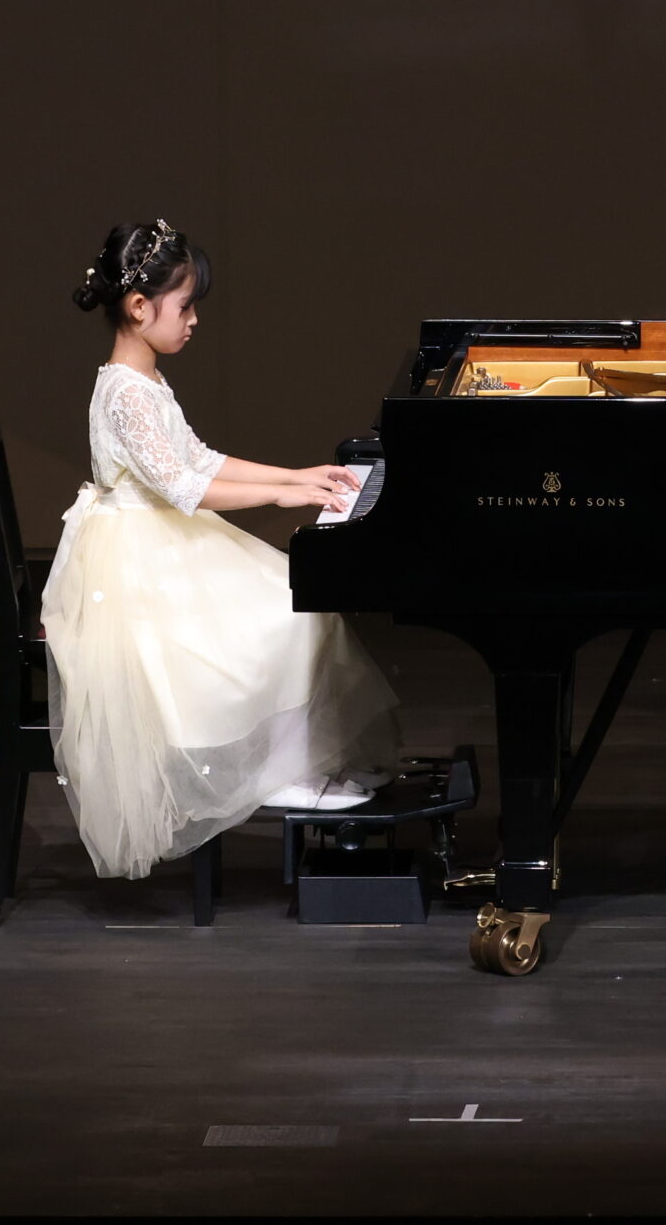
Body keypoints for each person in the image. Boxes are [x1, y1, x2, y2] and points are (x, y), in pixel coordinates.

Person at [41, 219, 399, 880]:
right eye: (185, 306)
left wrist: (294, 477)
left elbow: (199, 458)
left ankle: (287, 766)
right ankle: (278, 773)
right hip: (139, 561)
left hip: (161, 540)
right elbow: (184, 486)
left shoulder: (143, 379)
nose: (194, 319)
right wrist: (284, 496)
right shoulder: (125, 390)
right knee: (287, 614)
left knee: (294, 599)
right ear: (139, 307)